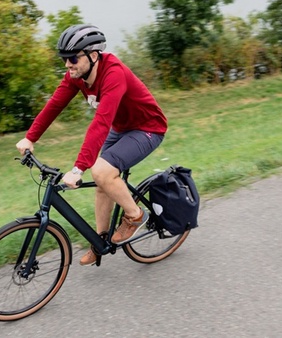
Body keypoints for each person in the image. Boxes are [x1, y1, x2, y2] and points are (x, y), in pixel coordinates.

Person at [16, 24, 168, 266]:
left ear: (93, 55)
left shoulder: (113, 74)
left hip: (147, 128)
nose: (67, 64)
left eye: (72, 58)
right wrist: (30, 137)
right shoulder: (77, 76)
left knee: (101, 171)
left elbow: (100, 123)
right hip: (121, 128)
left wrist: (78, 169)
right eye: (64, 59)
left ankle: (135, 215)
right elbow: (54, 105)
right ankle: (100, 241)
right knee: (102, 180)